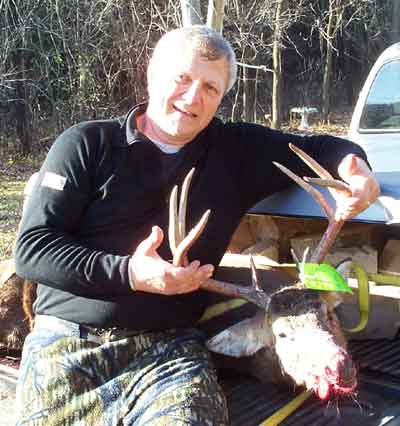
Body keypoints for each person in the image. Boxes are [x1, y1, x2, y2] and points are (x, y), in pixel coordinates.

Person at [14, 25, 380, 425]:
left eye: (210, 88)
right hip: (67, 341)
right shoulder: (86, 144)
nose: (193, 97)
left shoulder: (235, 152)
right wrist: (131, 273)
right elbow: (33, 250)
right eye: (182, 78)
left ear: (222, 97)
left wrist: (357, 171)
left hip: (168, 351)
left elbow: (323, 148)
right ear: (153, 73)